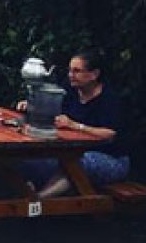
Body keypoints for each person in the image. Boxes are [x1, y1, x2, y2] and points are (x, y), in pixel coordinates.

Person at [19, 51, 130, 198]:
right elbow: (51, 108)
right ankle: (28, 190)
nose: (71, 75)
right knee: (33, 158)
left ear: (94, 74)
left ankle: (40, 199)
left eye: (77, 71)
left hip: (111, 159)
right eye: (70, 70)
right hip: (72, 151)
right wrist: (32, 105)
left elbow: (110, 134)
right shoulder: (69, 91)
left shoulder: (109, 99)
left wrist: (75, 125)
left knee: (75, 162)